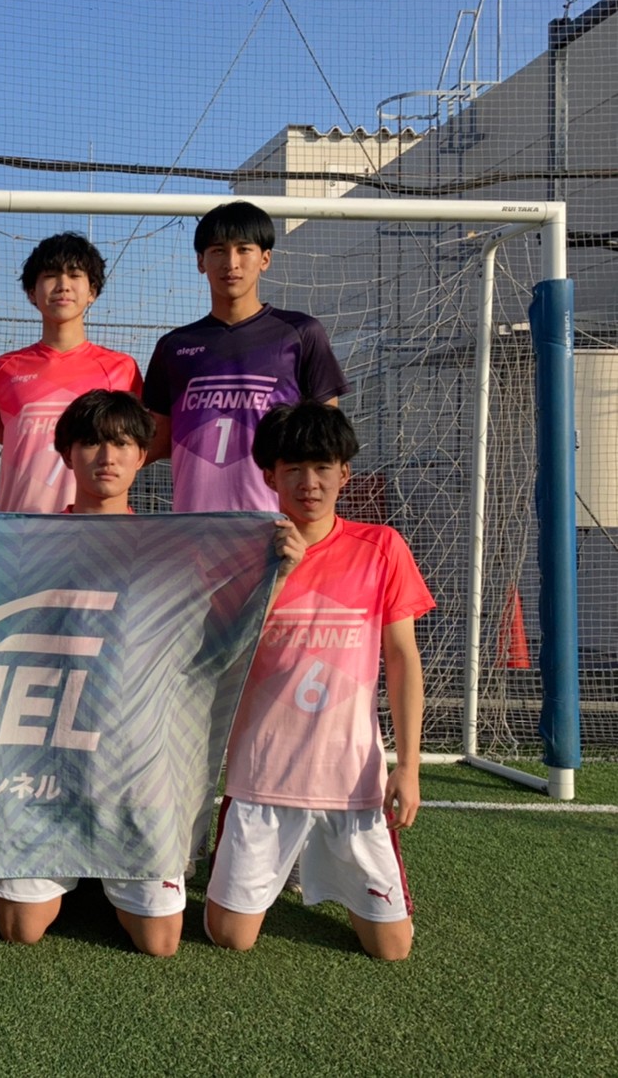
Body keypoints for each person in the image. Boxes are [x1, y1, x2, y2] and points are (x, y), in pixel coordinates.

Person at [205, 402, 432, 961]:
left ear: (344, 473)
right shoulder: (248, 552)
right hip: (262, 777)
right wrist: (279, 574)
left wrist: (408, 766)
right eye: (294, 469)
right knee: (231, 938)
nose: (310, 483)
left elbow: (402, 658)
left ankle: (316, 868)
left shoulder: (382, 547)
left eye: (323, 467)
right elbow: (223, 653)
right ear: (269, 477)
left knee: (392, 949)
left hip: (352, 782)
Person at [0, 388, 185, 955]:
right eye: (93, 442)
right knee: (20, 930)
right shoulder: (30, 540)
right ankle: (78, 860)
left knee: (159, 943)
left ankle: (108, 868)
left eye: (122, 443)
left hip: (134, 760)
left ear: (142, 455)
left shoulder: (171, 546)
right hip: (46, 755)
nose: (107, 456)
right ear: (67, 452)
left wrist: (278, 568)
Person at [142, 200, 349, 512]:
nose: (231, 263)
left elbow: (325, 439)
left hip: (276, 525)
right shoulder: (174, 346)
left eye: (243, 249)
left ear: (265, 258)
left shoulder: (301, 333)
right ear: (200, 261)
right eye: (218, 250)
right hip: (193, 523)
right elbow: (155, 440)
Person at [0, 232, 143, 513]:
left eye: (74, 275)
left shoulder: (122, 369)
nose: (63, 285)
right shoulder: (7, 369)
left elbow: (141, 445)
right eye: (50, 275)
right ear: (31, 292)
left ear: (92, 291)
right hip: (21, 532)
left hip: (95, 531)